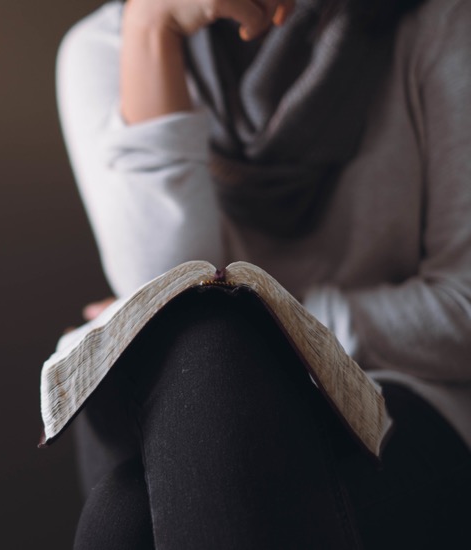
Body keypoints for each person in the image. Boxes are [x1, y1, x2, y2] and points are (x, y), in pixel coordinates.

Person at [55, 0, 471, 548]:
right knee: (198, 362)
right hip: (193, 395)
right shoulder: (105, 47)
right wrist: (151, 29)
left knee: (125, 516)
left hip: (403, 399)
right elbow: (165, 301)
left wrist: (269, 323)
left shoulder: (435, 22)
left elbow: (463, 307)